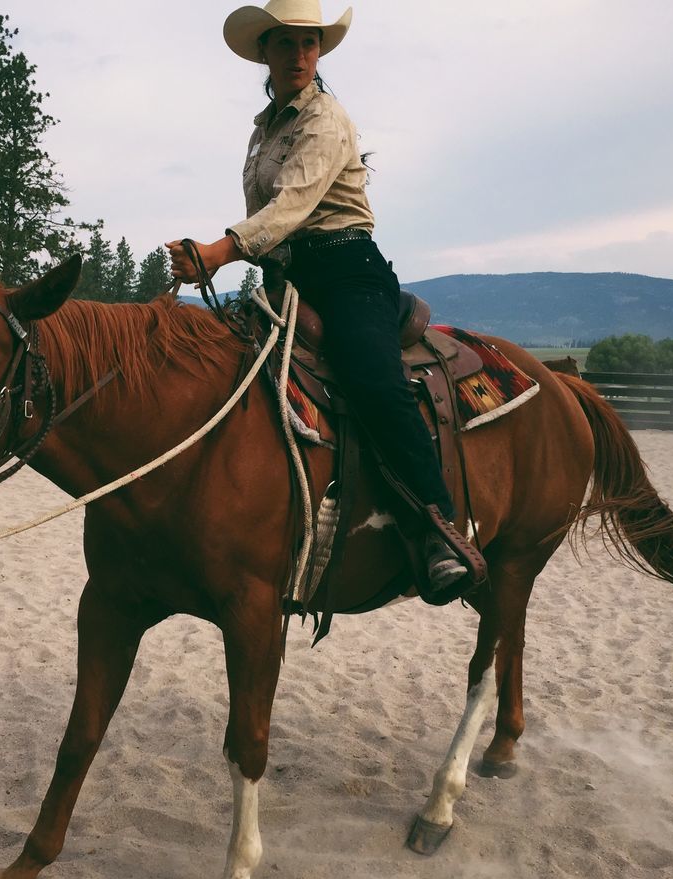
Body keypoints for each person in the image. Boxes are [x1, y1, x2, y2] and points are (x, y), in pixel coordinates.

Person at [166, 0, 475, 598]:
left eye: (309, 43)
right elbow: (269, 219)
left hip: (346, 270)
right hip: (288, 275)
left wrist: (218, 251)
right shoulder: (264, 130)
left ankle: (438, 525)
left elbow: (293, 206)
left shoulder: (325, 117)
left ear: (319, 51)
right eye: (285, 43)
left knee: (371, 376)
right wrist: (229, 254)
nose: (299, 55)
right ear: (265, 52)